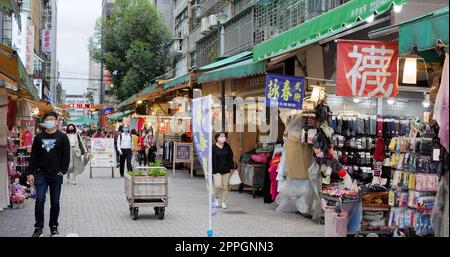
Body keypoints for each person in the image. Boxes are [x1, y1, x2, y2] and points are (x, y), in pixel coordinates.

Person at [28, 111, 70, 237]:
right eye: (48, 119)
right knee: (40, 200)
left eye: (52, 119)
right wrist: (30, 173)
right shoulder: (38, 137)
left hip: (56, 175)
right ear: (44, 121)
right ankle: (38, 227)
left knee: (55, 202)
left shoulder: (63, 137)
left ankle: (53, 226)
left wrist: (62, 171)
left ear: (57, 121)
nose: (50, 121)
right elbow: (33, 157)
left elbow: (66, 156)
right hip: (41, 174)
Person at [212, 132, 235, 209]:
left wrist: (230, 165)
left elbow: (231, 156)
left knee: (225, 186)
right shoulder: (213, 147)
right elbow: (211, 159)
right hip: (216, 169)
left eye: (224, 136)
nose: (223, 137)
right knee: (218, 185)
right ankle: (216, 198)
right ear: (217, 138)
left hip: (226, 169)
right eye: (221, 136)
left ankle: (223, 201)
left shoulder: (227, 146)